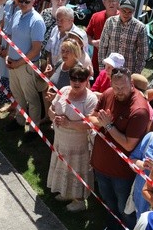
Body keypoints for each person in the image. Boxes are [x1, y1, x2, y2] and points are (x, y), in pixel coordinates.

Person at [89, 67, 150, 230]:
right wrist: (102, 123)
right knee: (109, 203)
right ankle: (112, 225)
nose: (118, 92)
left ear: (132, 84)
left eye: (122, 88)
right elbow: (91, 118)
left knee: (125, 210)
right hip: (101, 164)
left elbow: (128, 144)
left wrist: (108, 125)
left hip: (122, 173)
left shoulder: (139, 110)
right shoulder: (108, 93)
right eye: (116, 87)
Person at [47, 64, 97, 213]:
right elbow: (52, 108)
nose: (76, 82)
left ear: (87, 79)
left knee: (77, 170)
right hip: (60, 141)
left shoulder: (90, 99)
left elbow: (90, 123)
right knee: (62, 167)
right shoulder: (63, 91)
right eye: (73, 78)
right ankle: (66, 193)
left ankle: (79, 200)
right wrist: (54, 117)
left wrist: (69, 123)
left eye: (81, 79)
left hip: (78, 144)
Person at [0, 0, 46, 137]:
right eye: (20, 0)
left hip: (26, 66)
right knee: (18, 95)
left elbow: (36, 49)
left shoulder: (37, 21)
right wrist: (8, 54)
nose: (23, 4)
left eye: (27, 1)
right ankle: (20, 121)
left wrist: (19, 62)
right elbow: (12, 37)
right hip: (13, 63)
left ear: (33, 2)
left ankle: (34, 129)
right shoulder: (18, 13)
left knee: (32, 99)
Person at [97, 0, 148, 74]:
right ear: (119, 9)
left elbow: (142, 53)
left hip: (128, 69)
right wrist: (101, 67)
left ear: (133, 12)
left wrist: (136, 72)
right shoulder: (110, 22)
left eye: (129, 12)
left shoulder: (140, 28)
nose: (126, 14)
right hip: (110, 68)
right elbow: (103, 45)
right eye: (124, 11)